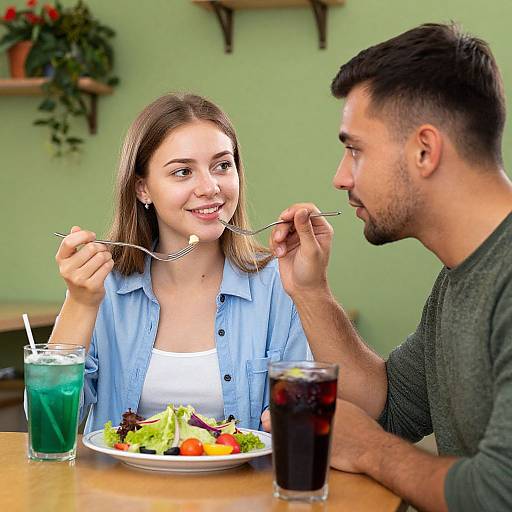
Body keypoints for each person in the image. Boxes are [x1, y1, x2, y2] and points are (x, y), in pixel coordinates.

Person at [267, 23, 512, 512]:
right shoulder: (459, 279)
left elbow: (497, 492)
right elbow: (390, 409)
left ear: (425, 149)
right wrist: (310, 293)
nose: (340, 177)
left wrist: (366, 450)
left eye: (355, 149)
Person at [51, 93, 310, 433]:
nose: (210, 187)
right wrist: (80, 303)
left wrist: (294, 417)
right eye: (183, 171)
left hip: (242, 487)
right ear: (143, 188)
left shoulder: (280, 285)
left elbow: (304, 413)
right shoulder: (103, 289)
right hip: (117, 486)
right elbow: (52, 419)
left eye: (222, 165)